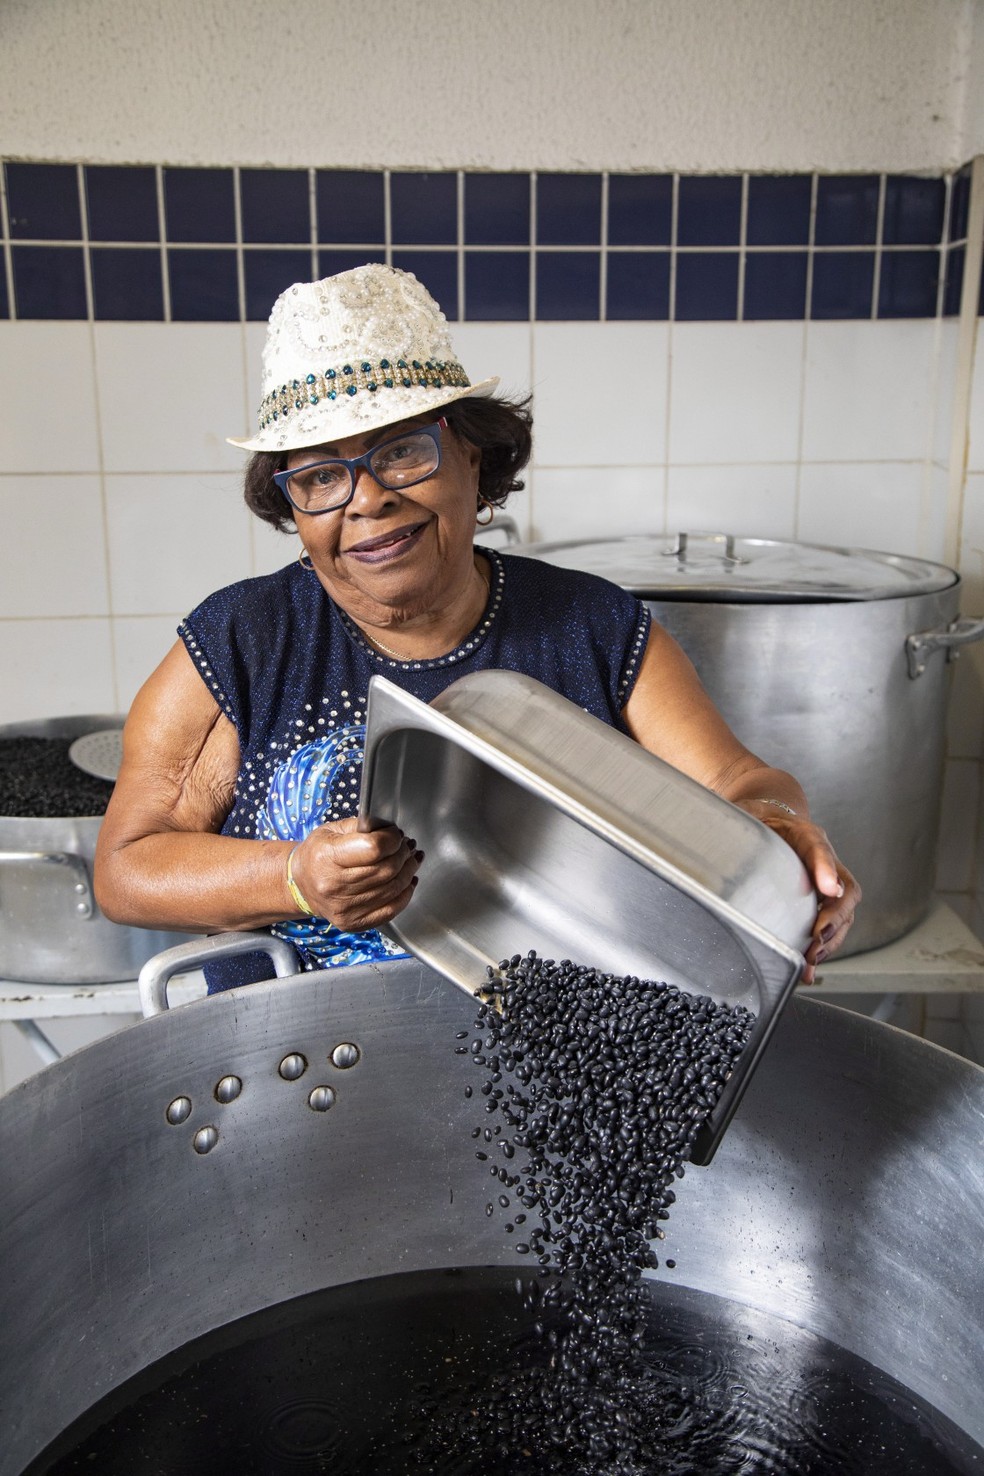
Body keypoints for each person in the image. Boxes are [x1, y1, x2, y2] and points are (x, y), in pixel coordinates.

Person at [94, 263, 859, 992]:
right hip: (293, 1065)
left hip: (547, 1052)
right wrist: (290, 875)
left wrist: (781, 829)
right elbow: (128, 869)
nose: (366, 501)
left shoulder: (592, 626)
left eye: (401, 451)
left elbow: (737, 784)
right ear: (291, 505)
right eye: (322, 475)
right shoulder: (241, 642)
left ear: (470, 455)